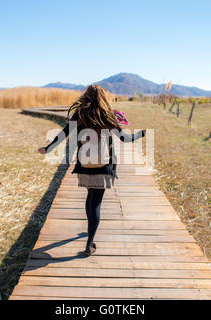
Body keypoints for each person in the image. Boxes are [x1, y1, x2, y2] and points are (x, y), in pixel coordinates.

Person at [38, 84, 146, 256]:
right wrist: (141, 134)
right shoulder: (108, 116)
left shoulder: (79, 115)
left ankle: (90, 231)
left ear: (86, 97)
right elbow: (125, 138)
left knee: (90, 197)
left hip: (85, 165)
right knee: (96, 201)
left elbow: (62, 134)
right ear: (103, 98)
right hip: (104, 165)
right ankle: (89, 243)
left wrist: (47, 148)